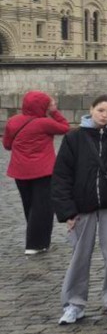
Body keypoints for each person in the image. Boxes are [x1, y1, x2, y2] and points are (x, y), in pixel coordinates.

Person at [52, 95, 107, 325]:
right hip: (82, 206)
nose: (105, 115)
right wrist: (67, 211)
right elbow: (62, 176)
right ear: (91, 110)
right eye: (101, 110)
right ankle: (73, 304)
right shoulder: (74, 138)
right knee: (80, 255)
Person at [3, 91, 69, 255]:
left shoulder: (13, 121)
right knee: (43, 207)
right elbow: (65, 127)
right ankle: (35, 243)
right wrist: (54, 111)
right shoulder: (45, 123)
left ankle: (37, 238)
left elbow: (7, 145)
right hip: (43, 171)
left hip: (19, 170)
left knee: (30, 205)